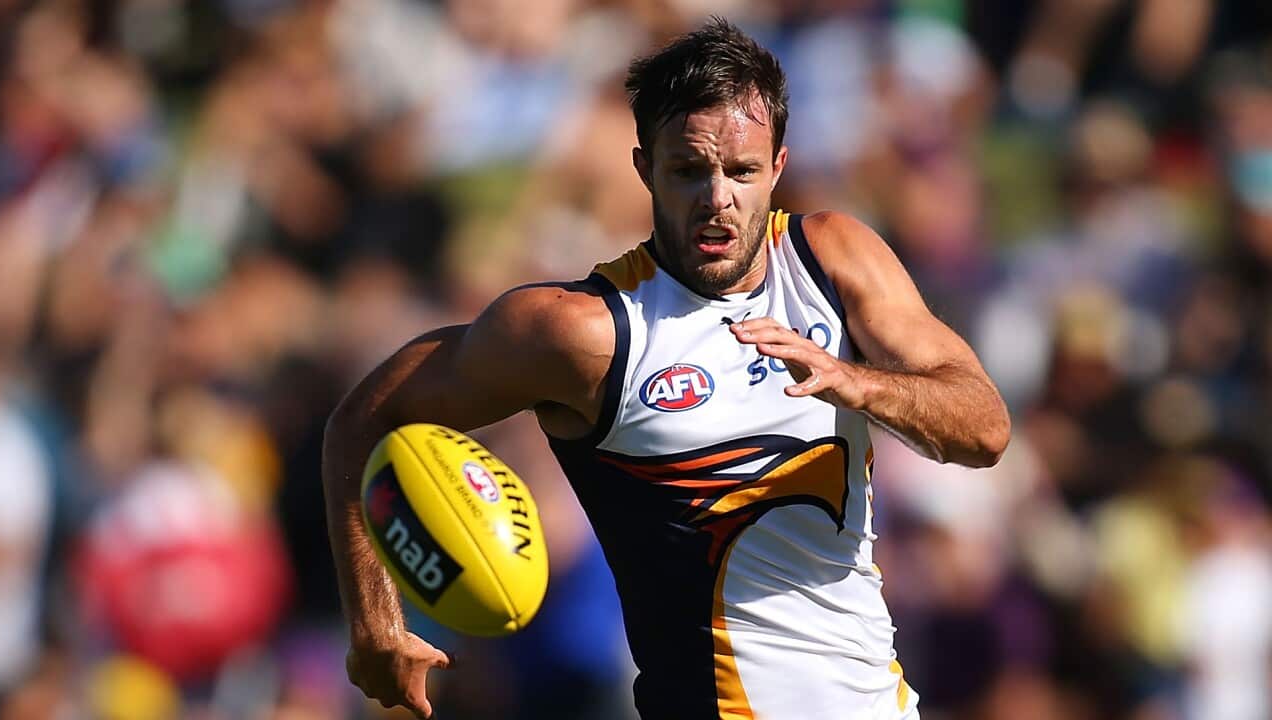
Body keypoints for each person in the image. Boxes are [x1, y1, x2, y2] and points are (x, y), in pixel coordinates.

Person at [323, 18, 1010, 720]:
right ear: (644, 167)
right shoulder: (582, 332)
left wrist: (859, 383)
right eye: (688, 171)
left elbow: (984, 429)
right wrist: (374, 622)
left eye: (742, 171)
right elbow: (367, 415)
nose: (718, 198)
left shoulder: (833, 261)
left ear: (777, 167)